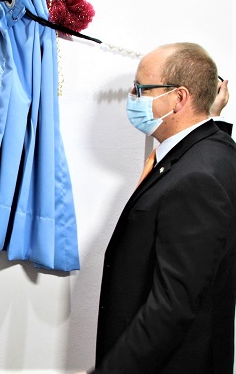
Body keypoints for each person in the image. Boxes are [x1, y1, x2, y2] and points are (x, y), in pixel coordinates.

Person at [85, 43, 236, 373]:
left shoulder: (197, 178)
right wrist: (212, 115)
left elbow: (173, 306)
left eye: (140, 89)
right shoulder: (213, 149)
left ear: (179, 98)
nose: (132, 97)